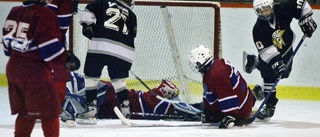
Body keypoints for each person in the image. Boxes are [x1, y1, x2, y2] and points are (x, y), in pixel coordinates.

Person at [1, 0, 69, 136]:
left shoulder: (15, 11)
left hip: (13, 67)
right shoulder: (44, 13)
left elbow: (6, 48)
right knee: (50, 113)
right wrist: (65, 58)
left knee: (26, 112)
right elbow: (49, 47)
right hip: (34, 71)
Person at [244, 0, 317, 121]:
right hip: (268, 56)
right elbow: (267, 52)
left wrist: (306, 17)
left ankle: (256, 64)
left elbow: (301, 3)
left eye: (266, 8)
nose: (265, 13)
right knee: (271, 77)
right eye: (260, 11)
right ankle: (270, 107)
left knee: (285, 73)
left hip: (286, 48)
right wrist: (277, 63)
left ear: (272, 6)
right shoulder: (258, 28)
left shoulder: (283, 9)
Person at [60, 72, 201, 126]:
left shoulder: (102, 89)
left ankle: (202, 109)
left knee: (178, 108)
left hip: (136, 101)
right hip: (135, 102)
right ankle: (202, 109)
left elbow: (103, 90)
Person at [79, 0, 137, 119]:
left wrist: (88, 26)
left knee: (91, 76)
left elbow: (88, 11)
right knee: (119, 80)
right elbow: (133, 33)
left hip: (101, 46)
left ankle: (91, 107)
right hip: (124, 52)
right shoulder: (132, 14)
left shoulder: (102, 2)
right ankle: (125, 108)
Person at [189, 45, 261, 129]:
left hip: (241, 108)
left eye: (196, 63)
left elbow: (227, 94)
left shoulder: (217, 73)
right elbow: (209, 91)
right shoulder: (212, 69)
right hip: (241, 100)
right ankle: (253, 97)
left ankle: (252, 97)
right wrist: (208, 110)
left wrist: (231, 115)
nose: (196, 66)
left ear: (202, 60)